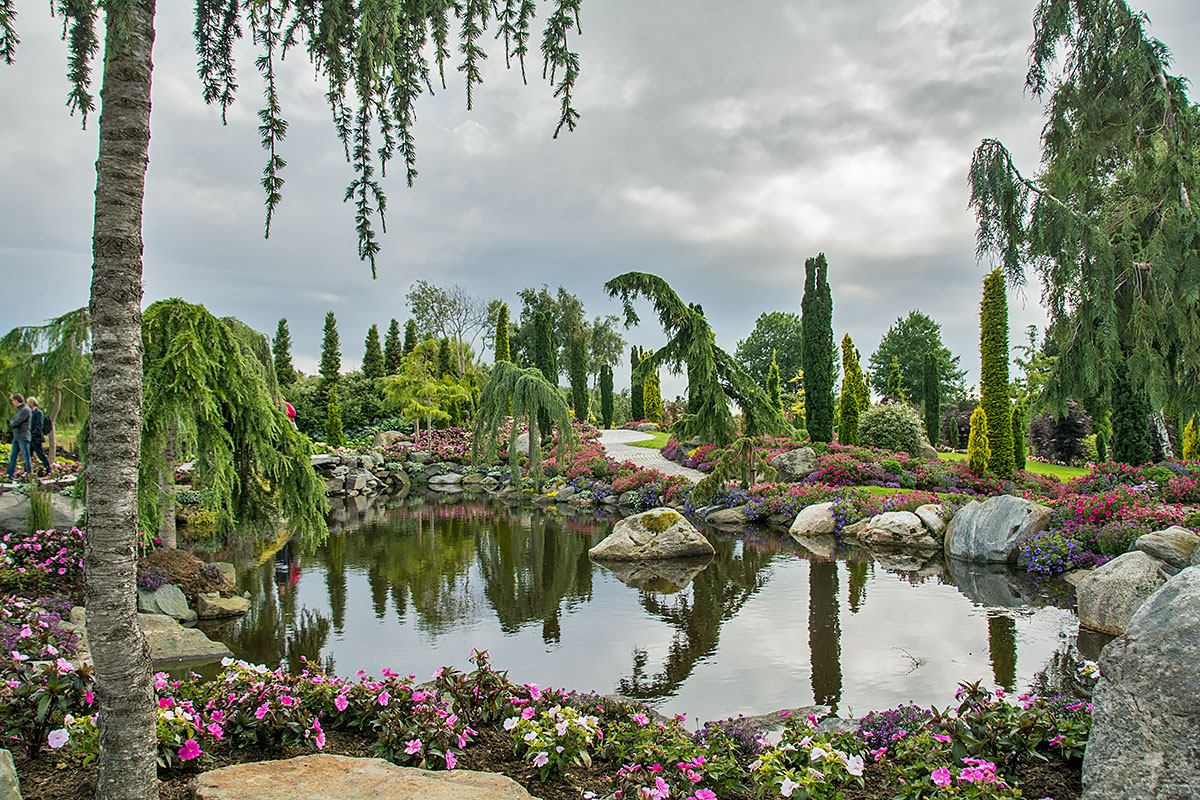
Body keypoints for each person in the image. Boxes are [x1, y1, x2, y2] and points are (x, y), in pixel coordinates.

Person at [5, 394, 32, 481]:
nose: (13, 403)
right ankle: (9, 475)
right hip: (17, 436)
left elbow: (16, 422)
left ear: (16, 401)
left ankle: (28, 475)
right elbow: (13, 421)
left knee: (26, 456)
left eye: (13, 401)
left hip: (23, 436)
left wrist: (12, 424)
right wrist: (12, 423)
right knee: (13, 456)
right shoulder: (19, 410)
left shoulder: (25, 410)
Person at [26, 397, 51, 476]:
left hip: (36, 438)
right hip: (30, 438)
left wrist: (33, 434)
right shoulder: (31, 412)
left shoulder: (38, 413)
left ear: (31, 403)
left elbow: (39, 426)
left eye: (28, 403)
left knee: (41, 455)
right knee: (28, 455)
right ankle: (26, 473)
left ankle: (48, 470)